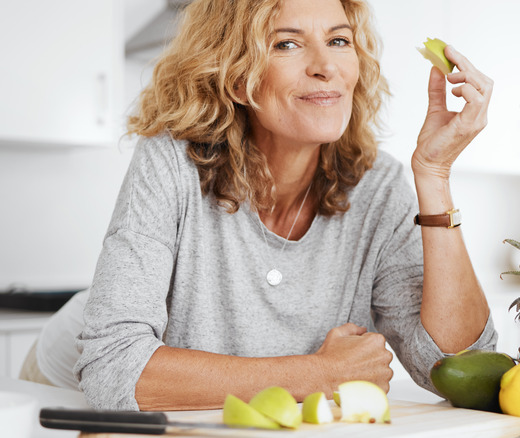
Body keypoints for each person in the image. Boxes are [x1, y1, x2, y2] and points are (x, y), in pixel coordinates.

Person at [75, 0, 496, 411]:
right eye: (286, 44)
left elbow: (463, 368)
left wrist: (434, 174)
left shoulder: (377, 187)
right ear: (236, 75)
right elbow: (112, 367)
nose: (325, 66)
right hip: (59, 385)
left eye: (338, 40)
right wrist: (319, 374)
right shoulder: (170, 162)